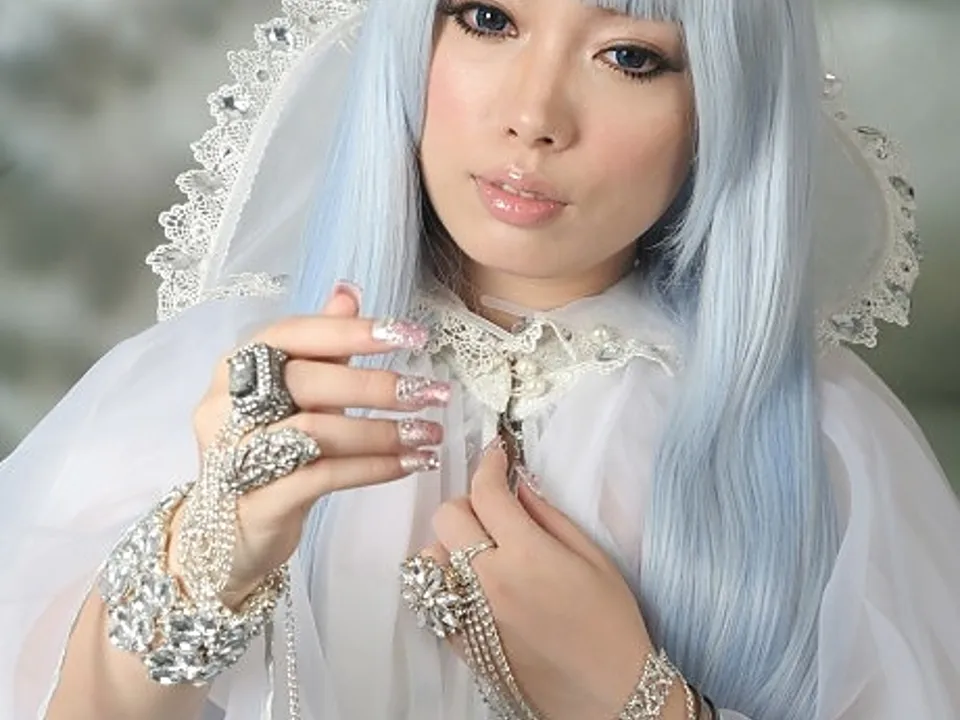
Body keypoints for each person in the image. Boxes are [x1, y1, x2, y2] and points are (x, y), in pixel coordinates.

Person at [2, 0, 958, 718]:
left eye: (629, 56)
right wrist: (205, 556)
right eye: (489, 19)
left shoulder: (826, 441)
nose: (534, 115)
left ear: (720, 104)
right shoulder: (233, 384)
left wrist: (637, 699)